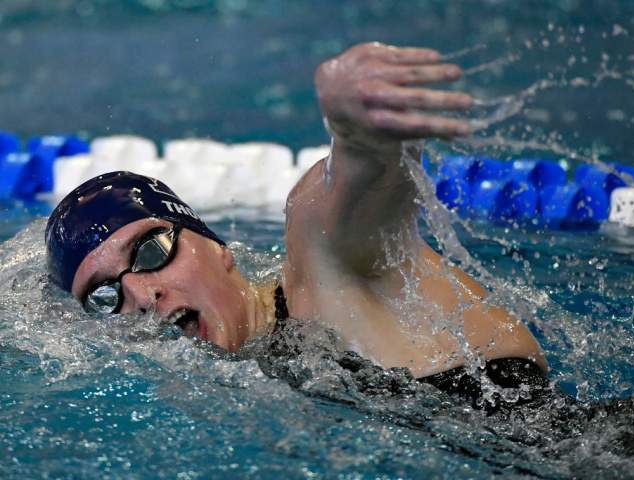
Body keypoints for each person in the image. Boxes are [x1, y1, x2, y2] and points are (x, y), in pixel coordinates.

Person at [45, 43, 548, 404]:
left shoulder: (325, 265)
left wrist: (357, 128)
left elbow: (364, 185)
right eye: (104, 296)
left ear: (218, 247)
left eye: (151, 251)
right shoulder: (246, 375)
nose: (139, 294)